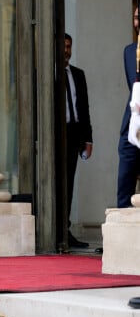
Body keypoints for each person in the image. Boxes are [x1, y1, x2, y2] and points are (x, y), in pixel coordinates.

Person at [63, 33, 93, 248]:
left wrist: (88, 139)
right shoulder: (47, 73)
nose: (66, 50)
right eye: (63, 46)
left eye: (69, 46)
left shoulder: (78, 74)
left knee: (69, 183)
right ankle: (54, 230)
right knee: (56, 184)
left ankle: (65, 229)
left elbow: (84, 109)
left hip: (74, 133)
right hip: (55, 134)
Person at [118, 7, 140, 208]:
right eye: (135, 17)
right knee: (125, 176)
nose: (136, 22)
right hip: (132, 123)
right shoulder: (129, 51)